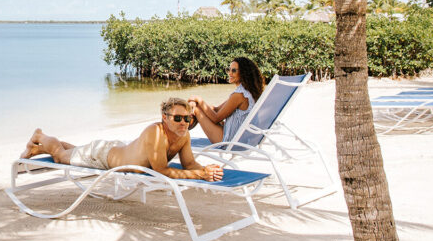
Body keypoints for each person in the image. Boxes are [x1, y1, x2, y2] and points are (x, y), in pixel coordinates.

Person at [19, 97, 223, 182]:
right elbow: (161, 171)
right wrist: (200, 175)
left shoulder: (183, 135)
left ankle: (37, 150)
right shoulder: (156, 133)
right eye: (177, 118)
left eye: (187, 119)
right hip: (103, 157)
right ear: (164, 118)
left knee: (74, 151)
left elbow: (188, 163)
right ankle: (40, 136)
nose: (183, 123)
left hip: (117, 151)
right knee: (60, 156)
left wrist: (205, 169)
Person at [188, 56, 265, 145]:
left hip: (229, 141)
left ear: (244, 73)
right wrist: (197, 103)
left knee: (197, 110)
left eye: (234, 70)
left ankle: (177, 135)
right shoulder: (247, 92)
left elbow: (216, 118)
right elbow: (216, 109)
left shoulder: (239, 95)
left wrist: (199, 100)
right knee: (197, 107)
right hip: (239, 138)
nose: (229, 73)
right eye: (229, 69)